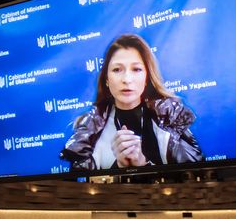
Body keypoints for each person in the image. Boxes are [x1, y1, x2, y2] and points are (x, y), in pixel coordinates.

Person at [61, 34, 202, 170]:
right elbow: (81, 189)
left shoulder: (170, 119)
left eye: (136, 69)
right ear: (107, 80)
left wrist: (144, 165)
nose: (127, 79)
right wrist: (119, 166)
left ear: (147, 78)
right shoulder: (90, 131)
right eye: (117, 70)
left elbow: (196, 181)